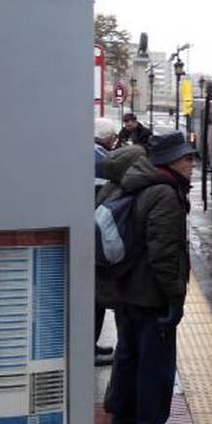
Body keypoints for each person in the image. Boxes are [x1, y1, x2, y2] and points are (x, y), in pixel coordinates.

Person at [96, 133, 196, 424]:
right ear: (169, 162)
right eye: (186, 159)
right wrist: (175, 298)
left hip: (126, 291)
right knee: (156, 365)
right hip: (151, 295)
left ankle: (122, 421)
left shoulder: (128, 183)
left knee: (128, 357)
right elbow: (164, 254)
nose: (191, 164)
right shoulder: (164, 194)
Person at [93, 117, 117, 365]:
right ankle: (90, 348)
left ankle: (90, 345)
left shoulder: (86, 153)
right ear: (109, 138)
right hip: (95, 236)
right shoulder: (102, 160)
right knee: (96, 297)